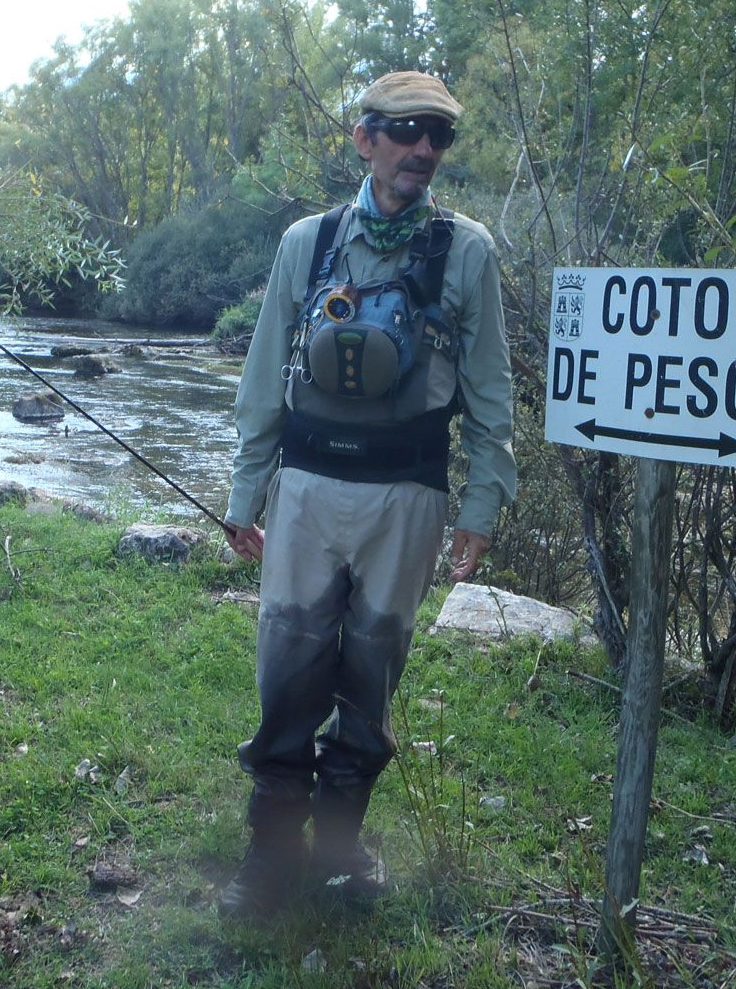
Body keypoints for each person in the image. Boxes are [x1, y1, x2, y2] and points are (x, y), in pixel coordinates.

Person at [219, 71, 517, 919]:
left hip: (409, 498)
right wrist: (248, 491)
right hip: (307, 491)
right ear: (365, 139)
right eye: (406, 130)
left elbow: (491, 395)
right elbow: (261, 375)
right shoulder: (305, 244)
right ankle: (271, 859)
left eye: (439, 136)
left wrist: (482, 503)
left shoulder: (468, 251)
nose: (423, 148)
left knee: (370, 679)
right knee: (287, 673)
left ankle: (343, 853)